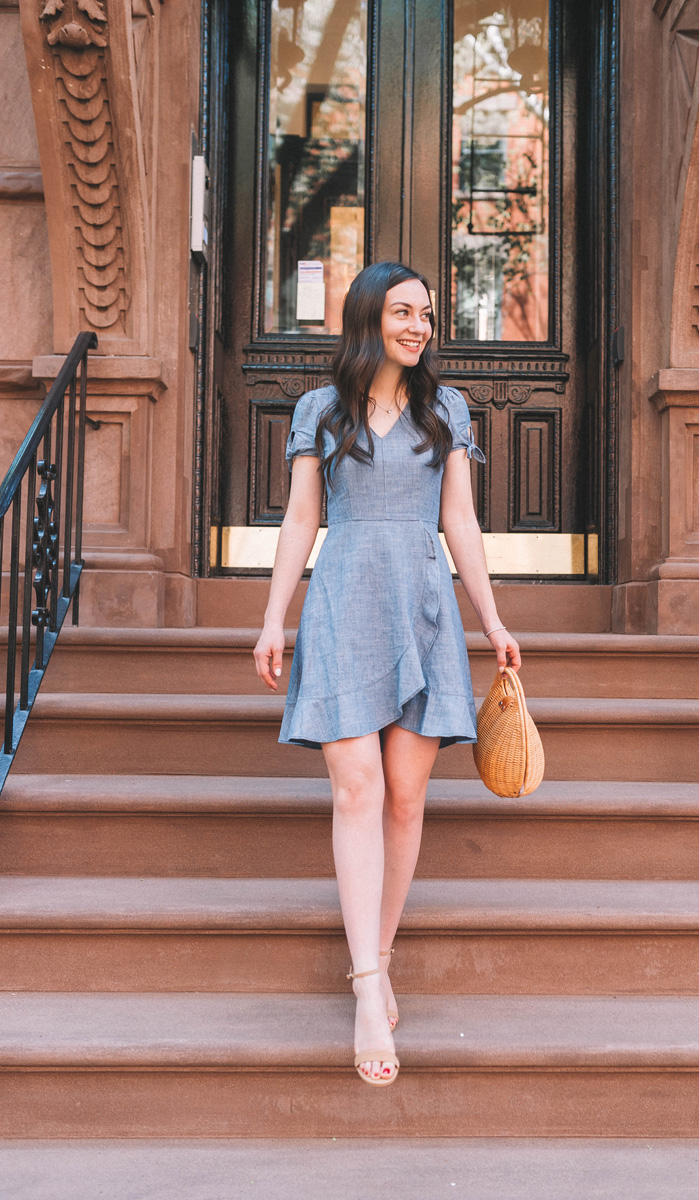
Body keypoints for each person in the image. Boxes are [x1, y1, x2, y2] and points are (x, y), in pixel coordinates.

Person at [253, 261, 521, 1087]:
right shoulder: (318, 410)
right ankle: (367, 990)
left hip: (422, 605)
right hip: (341, 602)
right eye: (404, 311)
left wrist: (491, 620)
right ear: (366, 317)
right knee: (356, 790)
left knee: (406, 796)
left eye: (428, 314)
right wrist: (273, 615)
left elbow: (460, 520)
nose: (419, 326)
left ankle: (378, 952)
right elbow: (303, 516)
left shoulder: (447, 408)